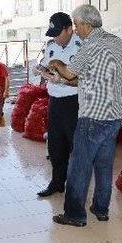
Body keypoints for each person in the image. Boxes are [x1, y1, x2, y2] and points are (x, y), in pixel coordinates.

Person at [48, 4, 122, 227]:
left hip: (93, 116)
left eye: (76, 25)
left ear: (84, 24)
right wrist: (62, 80)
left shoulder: (89, 45)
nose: (76, 29)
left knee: (79, 166)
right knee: (104, 165)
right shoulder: (117, 42)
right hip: (115, 115)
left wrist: (56, 63)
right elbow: (91, 77)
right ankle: (101, 209)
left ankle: (74, 214)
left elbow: (70, 71)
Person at [35, 12, 81, 197]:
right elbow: (46, 65)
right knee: (55, 146)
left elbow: (81, 77)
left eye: (57, 33)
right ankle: (57, 183)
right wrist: (41, 70)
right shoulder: (52, 46)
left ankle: (76, 187)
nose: (54, 37)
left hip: (74, 102)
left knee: (75, 147)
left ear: (69, 29)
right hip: (54, 101)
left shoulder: (81, 47)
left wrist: (62, 78)